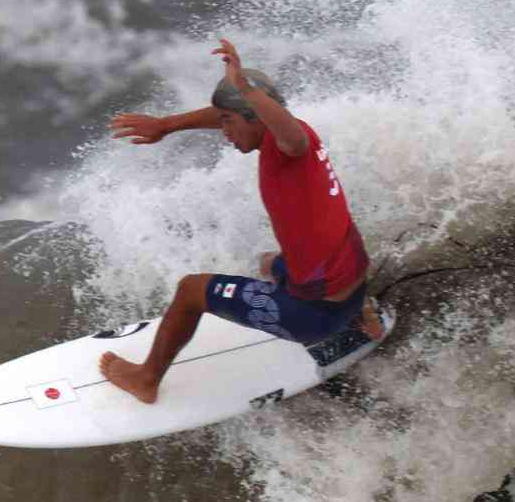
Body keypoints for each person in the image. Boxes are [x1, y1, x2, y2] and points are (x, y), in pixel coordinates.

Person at [99, 38, 383, 405]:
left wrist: (244, 87)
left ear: (255, 115)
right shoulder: (298, 134)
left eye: (228, 123)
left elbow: (287, 136)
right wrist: (166, 125)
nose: (224, 133)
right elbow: (233, 113)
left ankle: (146, 379)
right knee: (268, 261)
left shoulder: (292, 145)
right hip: (355, 284)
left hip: (315, 316)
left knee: (190, 291)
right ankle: (363, 316)